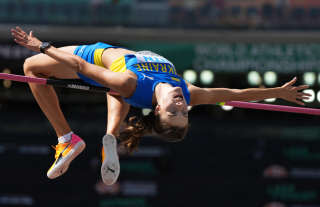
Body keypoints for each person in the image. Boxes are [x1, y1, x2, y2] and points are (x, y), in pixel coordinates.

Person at [11, 26, 310, 185]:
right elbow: (236, 92)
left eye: (173, 112)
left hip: (96, 56)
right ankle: (110, 137)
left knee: (31, 68)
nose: (180, 106)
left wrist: (41, 46)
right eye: (184, 113)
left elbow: (78, 63)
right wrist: (278, 91)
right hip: (122, 84)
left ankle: (67, 138)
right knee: (114, 90)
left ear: (157, 110)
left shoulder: (131, 84)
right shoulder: (189, 92)